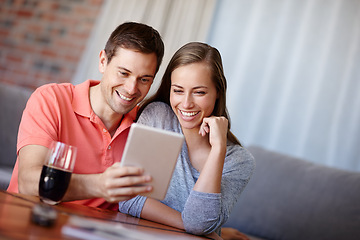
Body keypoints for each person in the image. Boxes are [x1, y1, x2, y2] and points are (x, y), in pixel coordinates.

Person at [7, 22, 165, 211]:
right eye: (124, 73)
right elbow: (29, 182)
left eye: (144, 79)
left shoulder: (145, 123)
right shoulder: (51, 99)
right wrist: (99, 185)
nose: (132, 89)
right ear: (102, 62)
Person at [118, 42, 255, 237]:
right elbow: (128, 198)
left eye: (199, 92)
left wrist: (218, 150)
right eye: (178, 90)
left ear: (217, 92)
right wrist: (195, 228)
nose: (186, 103)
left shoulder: (239, 161)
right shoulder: (159, 117)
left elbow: (199, 222)